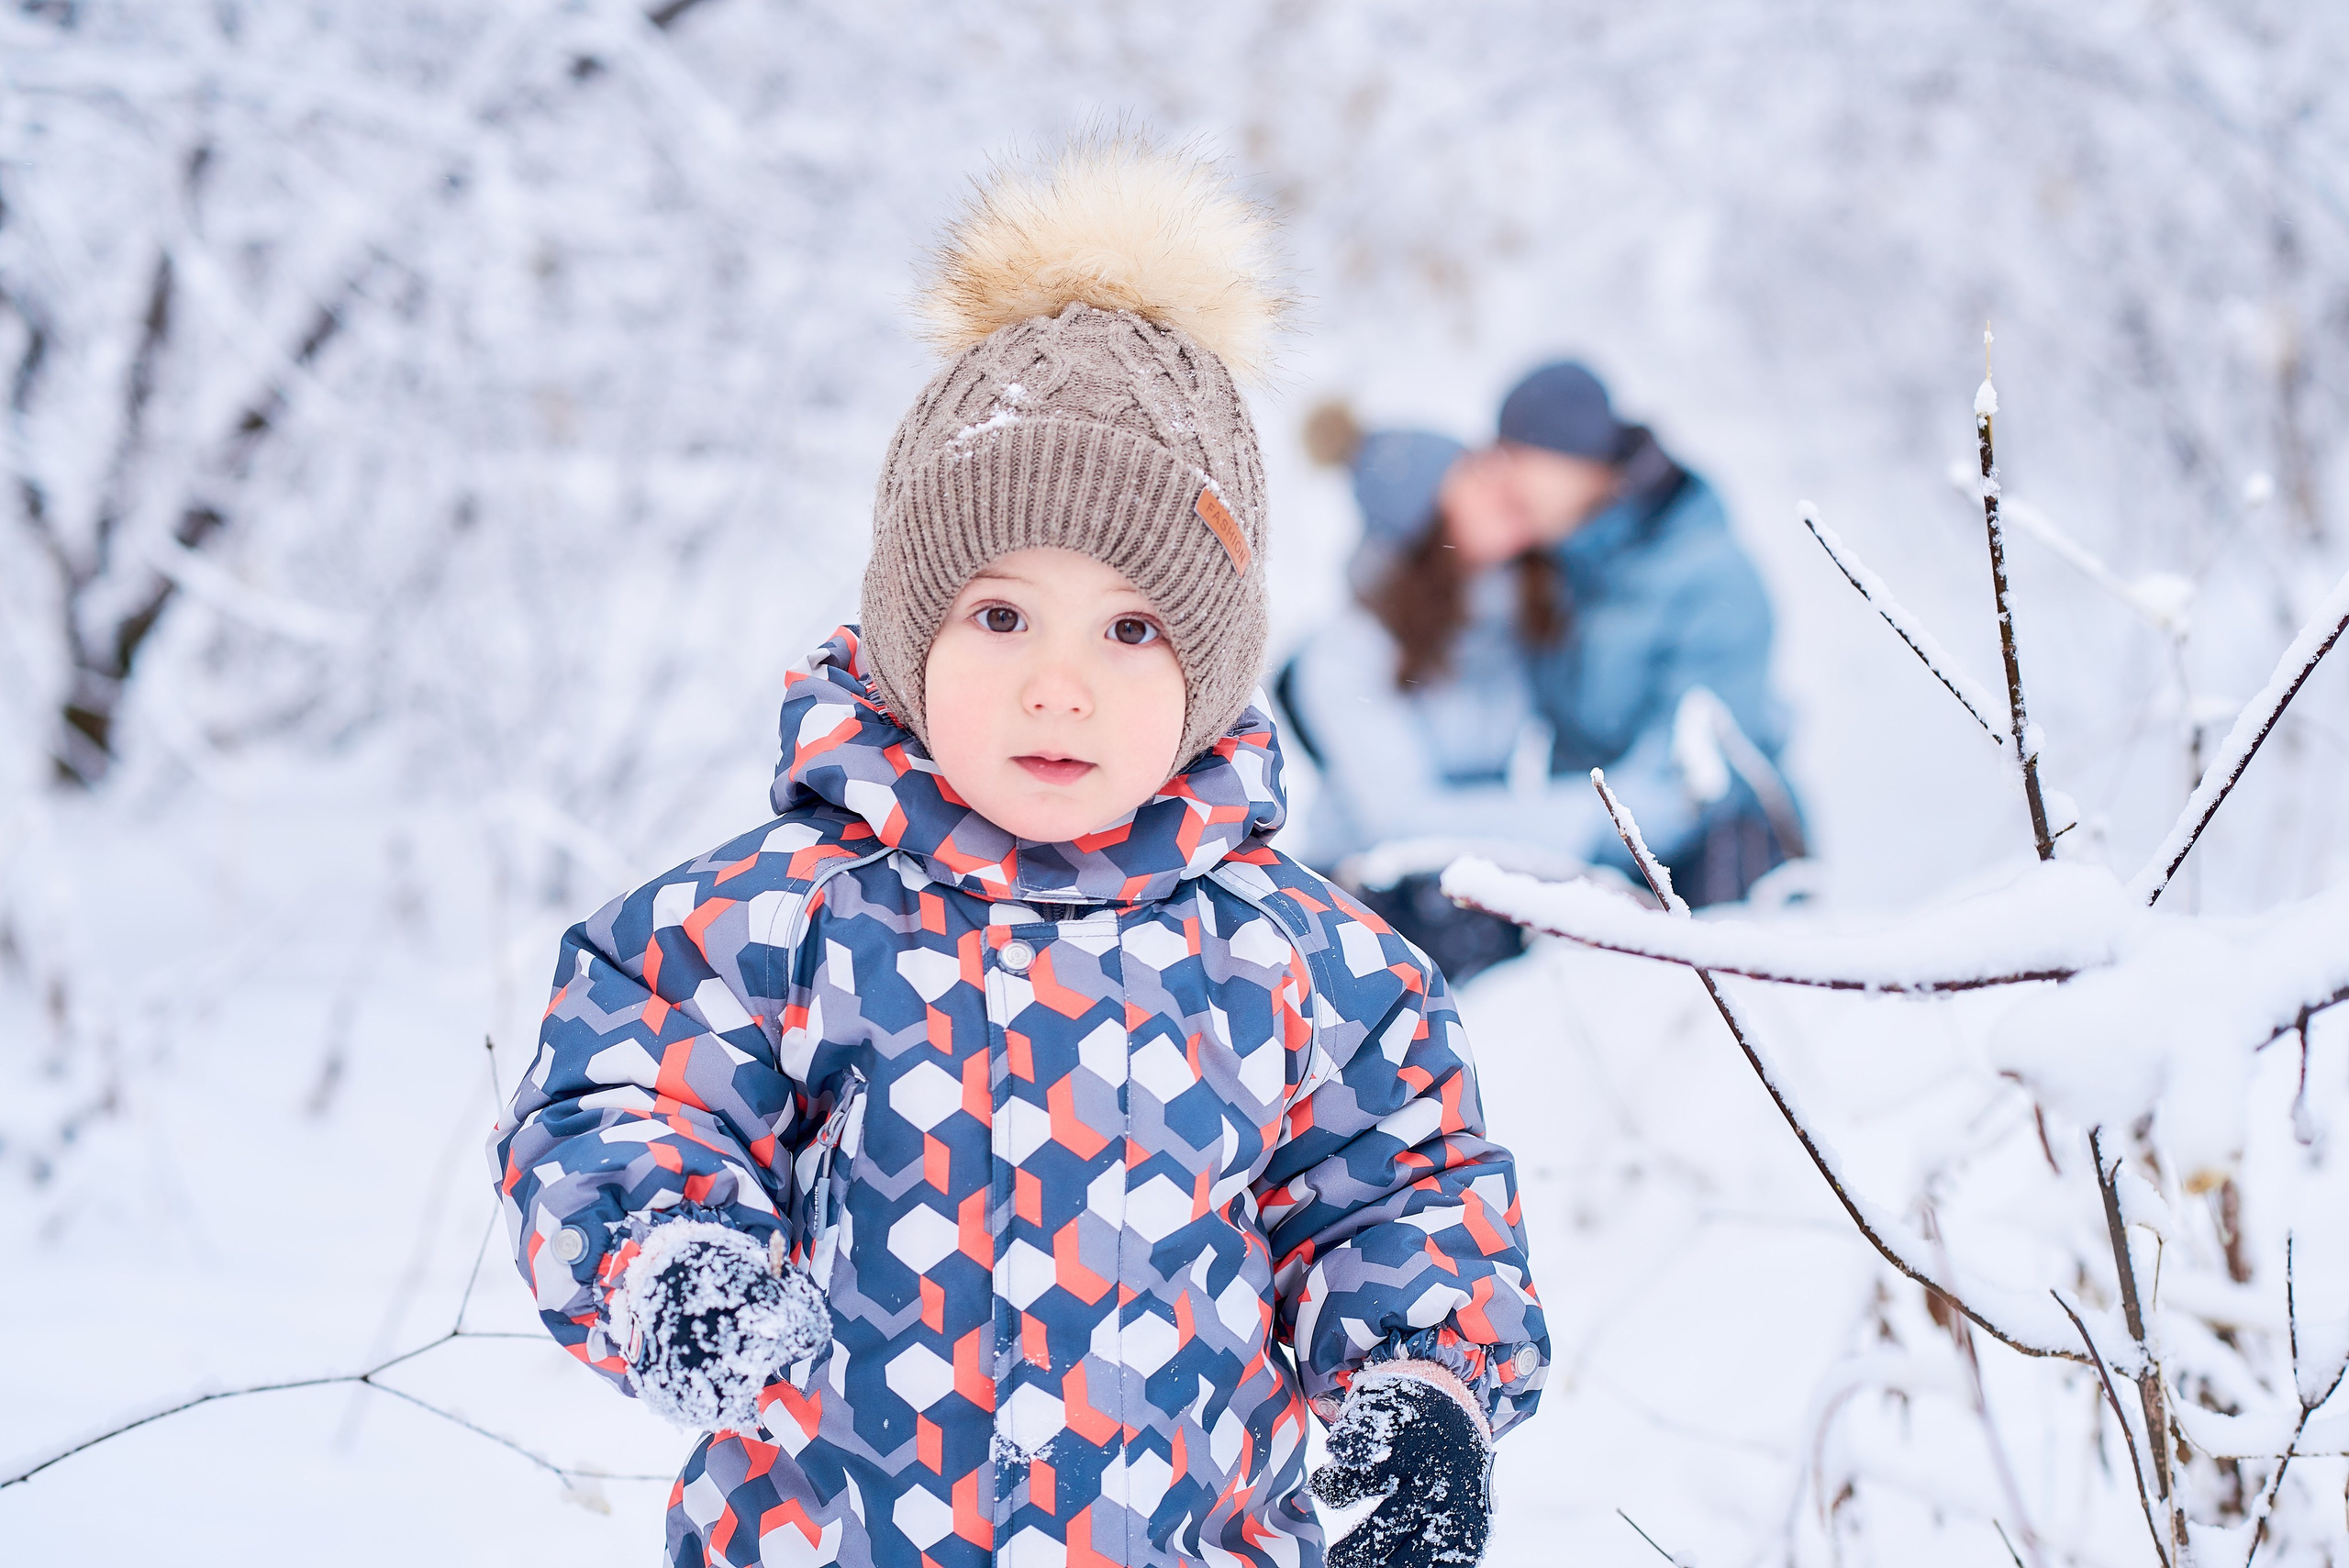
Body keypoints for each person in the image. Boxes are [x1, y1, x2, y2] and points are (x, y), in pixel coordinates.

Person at [490, 139, 1545, 1568]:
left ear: (1215, 667)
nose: (1062, 685)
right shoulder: (780, 921)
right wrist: (675, 1256)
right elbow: (620, 1091)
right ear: (907, 628)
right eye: (999, 617)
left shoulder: (1309, 966)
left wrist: (1419, 1395)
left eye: (1131, 629)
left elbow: (1406, 1191)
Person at [1283, 369, 1802, 967]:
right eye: (1473, 480)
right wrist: (1596, 820)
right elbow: (1398, 817)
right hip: (1364, 892)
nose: (1501, 483)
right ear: (1427, 527)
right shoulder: (1349, 656)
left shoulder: (1517, 612)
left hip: (1499, 868)